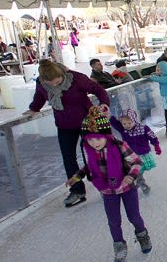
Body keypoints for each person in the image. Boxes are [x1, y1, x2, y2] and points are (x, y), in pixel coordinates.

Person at [67, 106, 151, 262]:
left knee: (134, 216)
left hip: (127, 189)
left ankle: (143, 236)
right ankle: (119, 247)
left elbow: (137, 162)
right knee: (113, 221)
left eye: (98, 138)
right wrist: (76, 177)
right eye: (90, 139)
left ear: (106, 135)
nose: (94, 143)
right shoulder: (91, 151)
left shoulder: (119, 146)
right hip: (107, 191)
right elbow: (89, 167)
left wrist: (130, 176)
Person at [24, 59, 110, 207]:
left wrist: (103, 103)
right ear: (44, 80)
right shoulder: (41, 83)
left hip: (86, 122)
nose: (55, 86)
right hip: (64, 124)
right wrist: (33, 109)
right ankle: (77, 190)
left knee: (94, 155)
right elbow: (39, 96)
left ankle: (105, 185)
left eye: (58, 82)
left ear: (62, 74)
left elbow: (98, 89)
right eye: (51, 84)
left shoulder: (76, 78)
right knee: (68, 158)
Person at [109, 109, 160, 195]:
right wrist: (109, 116)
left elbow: (152, 136)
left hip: (142, 154)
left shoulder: (143, 128)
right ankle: (140, 182)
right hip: (130, 155)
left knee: (138, 171)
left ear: (134, 120)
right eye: (124, 124)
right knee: (135, 171)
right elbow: (115, 123)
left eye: (129, 123)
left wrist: (156, 145)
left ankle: (140, 182)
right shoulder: (123, 129)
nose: (127, 126)